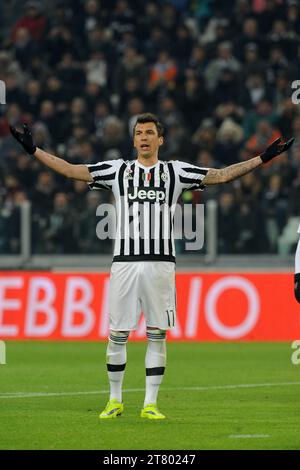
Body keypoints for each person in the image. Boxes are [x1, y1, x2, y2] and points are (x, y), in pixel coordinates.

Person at [10, 113, 294, 420]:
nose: (143, 137)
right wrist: (33, 151)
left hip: (161, 265)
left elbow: (221, 175)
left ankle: (150, 404)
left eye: (149, 133)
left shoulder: (176, 171)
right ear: (133, 140)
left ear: (161, 140)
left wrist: (262, 158)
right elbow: (70, 170)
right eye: (138, 133)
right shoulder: (117, 170)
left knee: (157, 334)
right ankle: (115, 400)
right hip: (124, 265)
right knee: (117, 334)